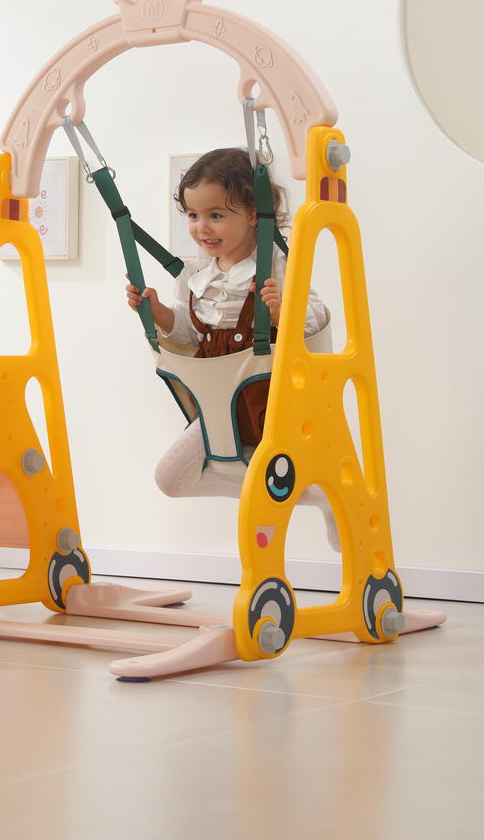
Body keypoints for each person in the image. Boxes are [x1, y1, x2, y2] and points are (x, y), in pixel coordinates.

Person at [126, 146, 339, 548]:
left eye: (216, 215)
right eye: (193, 215)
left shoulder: (275, 265)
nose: (201, 228)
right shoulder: (196, 273)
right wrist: (158, 312)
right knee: (171, 479)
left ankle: (321, 496)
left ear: (254, 215)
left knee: (270, 475)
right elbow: (190, 333)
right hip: (217, 404)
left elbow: (314, 324)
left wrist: (281, 311)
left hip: (268, 401)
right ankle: (317, 496)